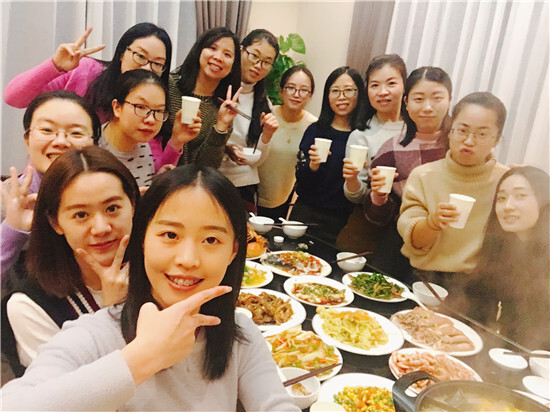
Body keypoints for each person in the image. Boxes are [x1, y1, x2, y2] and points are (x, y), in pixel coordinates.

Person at [1, 166, 299, 411]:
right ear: (142, 239)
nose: (187, 260)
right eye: (170, 235)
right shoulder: (95, 335)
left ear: (233, 251)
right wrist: (144, 356)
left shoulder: (241, 336)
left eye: (211, 240)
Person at [2, 146, 139, 375]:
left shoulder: (161, 271)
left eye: (112, 208)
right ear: (55, 222)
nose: (101, 228)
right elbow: (74, 392)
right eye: (81, 215)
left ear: (132, 205)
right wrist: (111, 314)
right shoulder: (30, 306)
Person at [340, 67, 452, 278]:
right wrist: (378, 196)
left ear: (449, 100)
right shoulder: (392, 148)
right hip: (401, 245)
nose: (427, 107)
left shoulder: (460, 146)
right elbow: (376, 216)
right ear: (407, 102)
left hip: (450, 249)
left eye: (437, 98)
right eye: (419, 99)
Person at [397, 92, 509, 282]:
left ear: (496, 139)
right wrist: (432, 223)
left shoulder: (506, 182)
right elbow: (414, 240)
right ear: (450, 131)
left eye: (482, 134)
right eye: (462, 130)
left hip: (477, 284)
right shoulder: (424, 176)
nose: (469, 141)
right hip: (423, 278)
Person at [1, 91, 101, 280]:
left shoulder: (107, 196)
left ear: (94, 144)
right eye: (47, 130)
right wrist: (13, 228)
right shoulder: (6, 198)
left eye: (76, 133)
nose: (61, 142)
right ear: (27, 140)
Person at [4, 23, 172, 124]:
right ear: (122, 53)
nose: (147, 68)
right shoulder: (86, 71)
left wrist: (175, 144)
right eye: (140, 56)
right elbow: (13, 98)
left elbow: (151, 159)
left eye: (157, 63)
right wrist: (54, 65)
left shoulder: (155, 103)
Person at [466, 167, 549, 349]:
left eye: (521, 196)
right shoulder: (501, 247)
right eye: (501, 198)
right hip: (508, 352)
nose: (508, 206)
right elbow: (478, 300)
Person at [291, 66, 367, 244]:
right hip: (305, 212)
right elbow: (300, 177)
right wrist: (312, 166)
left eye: (348, 90)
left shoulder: (363, 136)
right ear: (327, 95)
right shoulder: (315, 130)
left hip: (342, 220)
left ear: (359, 94)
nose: (341, 97)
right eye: (335, 91)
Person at [100, 69, 200, 186]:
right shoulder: (91, 146)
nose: (151, 120)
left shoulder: (142, 144)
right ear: (117, 107)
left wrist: (158, 178)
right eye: (141, 107)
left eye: (159, 111)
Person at [218, 29, 280, 213]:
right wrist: (227, 147)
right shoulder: (217, 89)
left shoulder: (264, 103)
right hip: (214, 179)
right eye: (254, 56)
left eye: (266, 62)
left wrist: (267, 135)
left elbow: (256, 162)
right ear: (241, 51)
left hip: (245, 185)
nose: (258, 65)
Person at [168, 27, 242, 168]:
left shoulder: (224, 108)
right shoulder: (169, 86)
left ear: (233, 66)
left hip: (194, 180)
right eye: (212, 48)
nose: (218, 57)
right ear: (199, 50)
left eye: (227, 54)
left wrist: (221, 126)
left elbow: (208, 168)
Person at [343, 54, 407, 203]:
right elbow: (357, 197)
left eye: (391, 83)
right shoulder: (361, 136)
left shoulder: (419, 129)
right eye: (375, 85)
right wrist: (351, 179)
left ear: (404, 85)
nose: (382, 92)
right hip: (376, 212)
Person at [257, 65, 317, 220]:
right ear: (281, 90)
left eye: (304, 90)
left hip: (283, 201)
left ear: (310, 95)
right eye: (290, 87)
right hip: (251, 194)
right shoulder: (266, 116)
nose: (296, 94)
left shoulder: (313, 127)